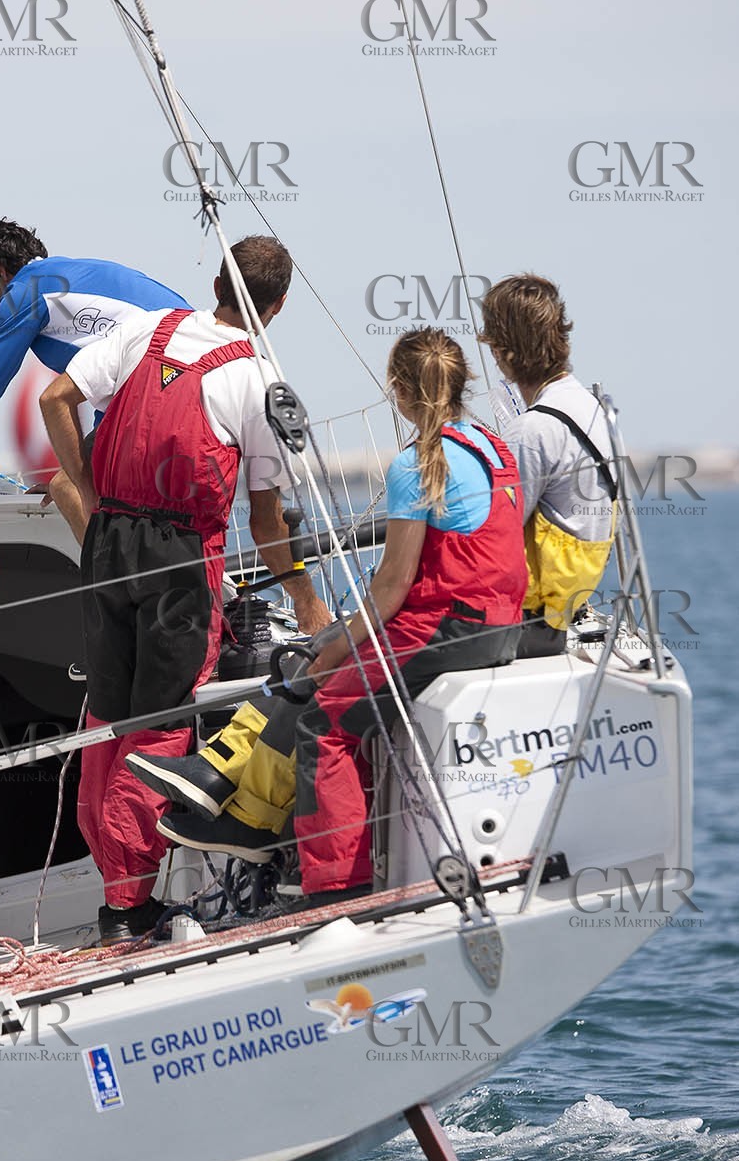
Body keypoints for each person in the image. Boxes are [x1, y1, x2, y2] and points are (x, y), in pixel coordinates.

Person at [136, 328, 528, 897]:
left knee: (325, 721)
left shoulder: (418, 464)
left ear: (397, 389)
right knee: (308, 659)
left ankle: (335, 884)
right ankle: (232, 791)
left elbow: (391, 588)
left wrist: (339, 645)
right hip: (493, 621)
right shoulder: (493, 447)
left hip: (448, 625)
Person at [39, 235, 332, 942]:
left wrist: (89, 489)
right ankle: (127, 908)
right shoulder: (259, 380)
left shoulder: (147, 329)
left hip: (108, 544)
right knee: (163, 724)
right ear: (278, 305)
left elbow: (56, 398)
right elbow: (264, 522)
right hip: (178, 560)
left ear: (215, 282)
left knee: (105, 721)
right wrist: (302, 596)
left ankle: (118, 887)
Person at [0, 218, 190, 537]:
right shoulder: (72, 277)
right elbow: (112, 393)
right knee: (82, 484)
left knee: (69, 489)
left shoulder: (26, 290)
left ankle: (116, 585)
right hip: (198, 372)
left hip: (166, 379)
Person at [481, 274, 617, 656]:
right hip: (570, 605)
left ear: (501, 351)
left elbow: (493, 536)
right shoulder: (590, 407)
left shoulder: (532, 429)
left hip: (529, 622)